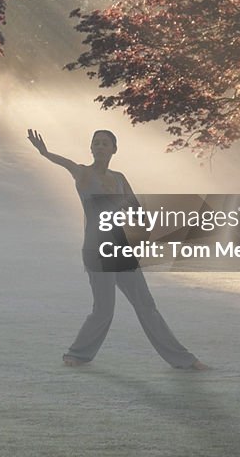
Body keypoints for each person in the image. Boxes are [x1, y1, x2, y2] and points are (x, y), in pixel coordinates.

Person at [27, 128, 209, 370]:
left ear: (114, 149)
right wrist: (45, 153)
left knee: (147, 306)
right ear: (91, 148)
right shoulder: (82, 173)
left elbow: (136, 212)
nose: (100, 146)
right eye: (96, 143)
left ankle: (185, 360)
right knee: (103, 310)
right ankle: (77, 354)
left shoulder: (120, 178)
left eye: (105, 143)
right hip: (96, 249)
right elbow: (64, 162)